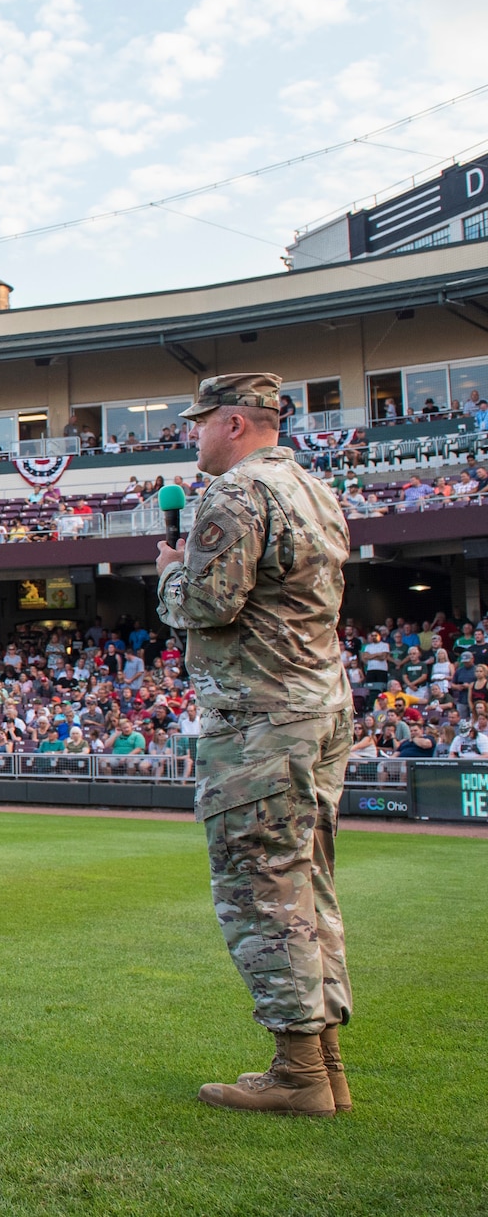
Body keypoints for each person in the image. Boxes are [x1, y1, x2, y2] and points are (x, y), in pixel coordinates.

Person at [156, 372, 354, 1117]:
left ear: (235, 423)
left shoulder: (238, 493)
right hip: (320, 706)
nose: (194, 434)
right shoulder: (315, 487)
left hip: (263, 721)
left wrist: (170, 573)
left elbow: (208, 602)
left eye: (201, 421)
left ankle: (299, 1070)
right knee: (308, 884)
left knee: (261, 891)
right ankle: (324, 1062)